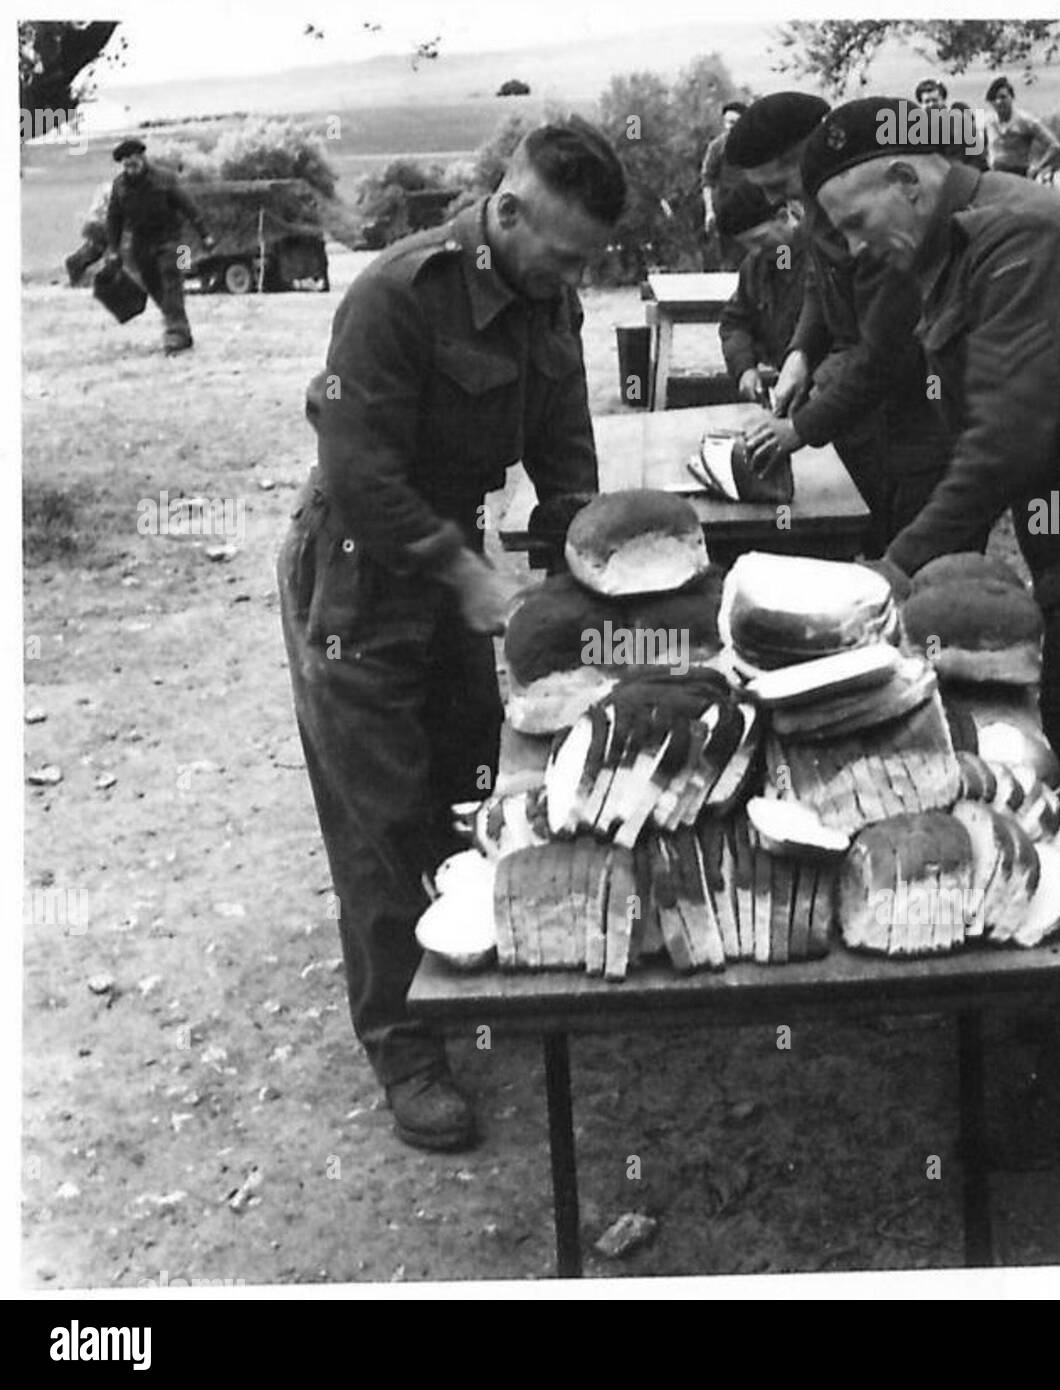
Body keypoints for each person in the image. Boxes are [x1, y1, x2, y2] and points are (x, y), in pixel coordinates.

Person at [802, 97, 1060, 1162]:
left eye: (856, 221)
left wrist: (891, 572)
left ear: (908, 177)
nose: (857, 247)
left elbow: (1001, 442)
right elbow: (889, 365)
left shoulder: (1018, 235)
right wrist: (796, 429)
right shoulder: (946, 249)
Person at [277, 119, 626, 1152]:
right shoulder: (398, 293)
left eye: (584, 262)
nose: (572, 276)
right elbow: (358, 471)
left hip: (442, 561)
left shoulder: (545, 292)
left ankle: (468, 975)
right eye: (562, 254)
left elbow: (563, 448)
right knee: (380, 817)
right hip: (356, 571)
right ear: (506, 211)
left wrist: (592, 561)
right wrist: (464, 576)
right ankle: (404, 1049)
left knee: (478, 781)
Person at [724, 92, 957, 554]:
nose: (772, 200)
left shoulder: (879, 217)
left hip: (922, 418)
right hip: (864, 414)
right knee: (867, 550)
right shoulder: (820, 205)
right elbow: (819, 281)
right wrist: (799, 354)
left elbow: (885, 354)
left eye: (776, 183)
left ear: (811, 150)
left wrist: (799, 430)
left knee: (921, 567)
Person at [103, 138, 217, 353]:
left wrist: (205, 235)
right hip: (141, 245)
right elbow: (113, 219)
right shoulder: (119, 186)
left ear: (142, 157)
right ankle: (181, 329)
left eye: (133, 160)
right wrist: (113, 250)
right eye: (125, 163)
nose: (130, 166)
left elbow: (189, 207)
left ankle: (175, 334)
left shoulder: (165, 178)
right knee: (155, 287)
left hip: (172, 241)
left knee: (171, 280)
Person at [715, 185, 807, 403]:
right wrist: (744, 368)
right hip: (786, 391)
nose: (755, 251)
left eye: (759, 240)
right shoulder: (761, 263)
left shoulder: (820, 258)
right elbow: (735, 322)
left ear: (783, 217)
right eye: (747, 245)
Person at [700, 100, 750, 270]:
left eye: (735, 123)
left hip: (754, 210)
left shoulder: (758, 146)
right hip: (727, 211)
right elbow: (707, 180)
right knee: (729, 262)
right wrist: (709, 211)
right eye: (727, 122)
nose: (730, 127)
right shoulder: (717, 147)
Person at [982, 77, 1060, 180]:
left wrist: (1037, 167)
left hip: (1020, 176)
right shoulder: (988, 122)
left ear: (1011, 97)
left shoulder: (1026, 121)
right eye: (994, 99)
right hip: (997, 177)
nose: (998, 102)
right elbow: (980, 148)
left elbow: (1054, 145)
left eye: (1003, 97)